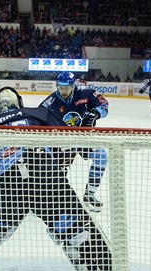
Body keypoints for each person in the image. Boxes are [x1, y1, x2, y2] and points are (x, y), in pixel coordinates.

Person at [0, 87, 113, 271]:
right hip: (43, 171)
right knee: (72, 224)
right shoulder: (38, 112)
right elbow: (66, 139)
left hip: (5, 182)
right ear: (19, 102)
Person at [39, 72, 109, 212]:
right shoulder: (49, 102)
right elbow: (38, 121)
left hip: (81, 138)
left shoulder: (86, 93)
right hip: (58, 141)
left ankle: (89, 194)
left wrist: (95, 114)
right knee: (54, 170)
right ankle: (45, 197)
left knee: (101, 156)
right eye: (61, 88)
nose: (63, 91)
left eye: (66, 88)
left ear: (73, 86)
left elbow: (104, 105)